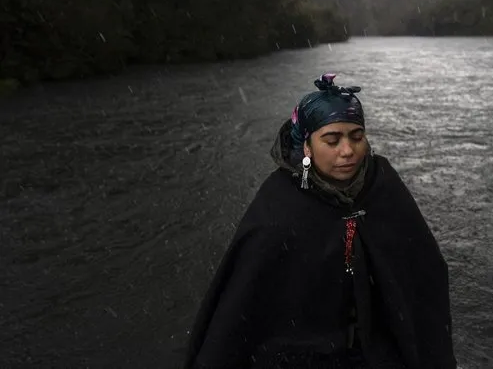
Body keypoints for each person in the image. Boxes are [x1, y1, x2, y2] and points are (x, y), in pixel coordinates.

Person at [183, 74, 457, 369]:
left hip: (382, 352)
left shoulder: (383, 186)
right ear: (307, 147)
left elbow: (425, 275)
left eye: (356, 136)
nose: (348, 151)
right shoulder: (279, 206)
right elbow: (242, 304)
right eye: (332, 139)